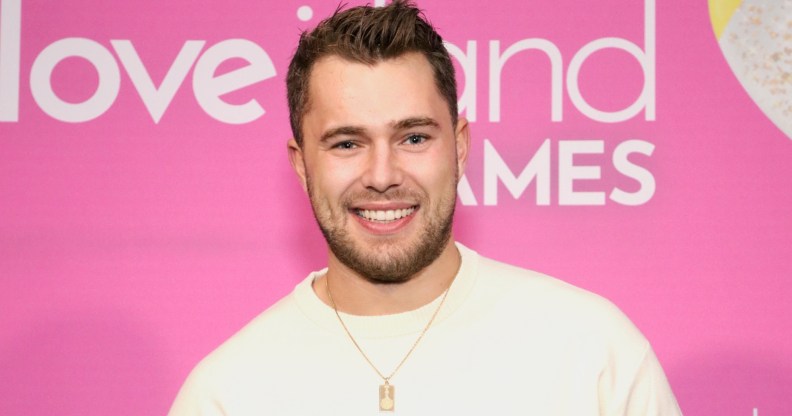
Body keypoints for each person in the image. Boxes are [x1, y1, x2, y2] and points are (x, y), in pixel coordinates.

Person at [168, 1, 683, 414]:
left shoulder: (591, 352)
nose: (383, 175)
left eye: (413, 137)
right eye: (347, 143)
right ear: (302, 165)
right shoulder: (227, 394)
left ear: (460, 146)